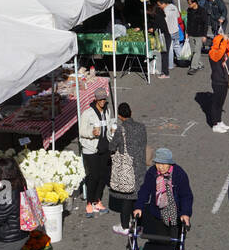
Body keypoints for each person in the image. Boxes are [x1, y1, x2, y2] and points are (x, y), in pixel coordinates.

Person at [132, 147, 194, 239]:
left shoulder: (179, 174)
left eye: (164, 164)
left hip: (174, 216)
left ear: (170, 163)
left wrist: (185, 213)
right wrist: (138, 206)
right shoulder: (152, 172)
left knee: (173, 243)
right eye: (158, 163)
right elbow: (145, 190)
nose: (160, 167)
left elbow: (186, 196)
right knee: (156, 241)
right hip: (157, 213)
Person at [108, 102, 150, 235]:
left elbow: (112, 147)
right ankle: (139, 224)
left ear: (120, 116)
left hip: (127, 167)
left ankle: (125, 226)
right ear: (131, 112)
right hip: (141, 165)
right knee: (139, 196)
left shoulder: (121, 130)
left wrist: (112, 134)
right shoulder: (141, 127)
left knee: (126, 197)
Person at [78, 90, 113, 216]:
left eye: (104, 99)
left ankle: (97, 200)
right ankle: (89, 202)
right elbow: (82, 132)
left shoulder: (107, 111)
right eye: (100, 100)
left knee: (103, 175)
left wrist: (112, 133)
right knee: (93, 176)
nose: (102, 102)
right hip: (90, 149)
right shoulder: (87, 113)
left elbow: (108, 127)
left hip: (104, 148)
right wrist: (91, 133)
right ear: (95, 100)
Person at [207, 30, 229, 132]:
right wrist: (223, 41)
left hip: (224, 79)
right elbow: (219, 54)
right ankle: (215, 124)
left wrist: (227, 41)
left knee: (221, 103)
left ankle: (219, 121)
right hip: (217, 80)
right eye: (222, 41)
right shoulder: (213, 53)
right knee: (216, 103)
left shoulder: (223, 51)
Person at [185, 0, 211, 75]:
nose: (189, 5)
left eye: (190, 3)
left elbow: (205, 23)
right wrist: (187, 32)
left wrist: (204, 35)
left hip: (200, 34)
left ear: (195, 3)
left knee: (197, 51)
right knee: (193, 51)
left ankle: (193, 67)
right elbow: (188, 22)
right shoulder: (189, 10)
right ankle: (200, 64)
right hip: (191, 33)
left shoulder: (202, 11)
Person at [148, 1, 172, 79]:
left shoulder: (158, 17)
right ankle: (164, 71)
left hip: (163, 37)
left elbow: (162, 28)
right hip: (164, 36)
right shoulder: (158, 15)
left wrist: (153, 29)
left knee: (164, 54)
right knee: (163, 54)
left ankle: (165, 73)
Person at [162, 0, 183, 69]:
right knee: (177, 46)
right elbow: (177, 16)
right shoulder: (174, 7)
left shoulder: (165, 10)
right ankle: (182, 61)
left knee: (170, 49)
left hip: (169, 31)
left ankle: (170, 65)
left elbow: (164, 21)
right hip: (176, 30)